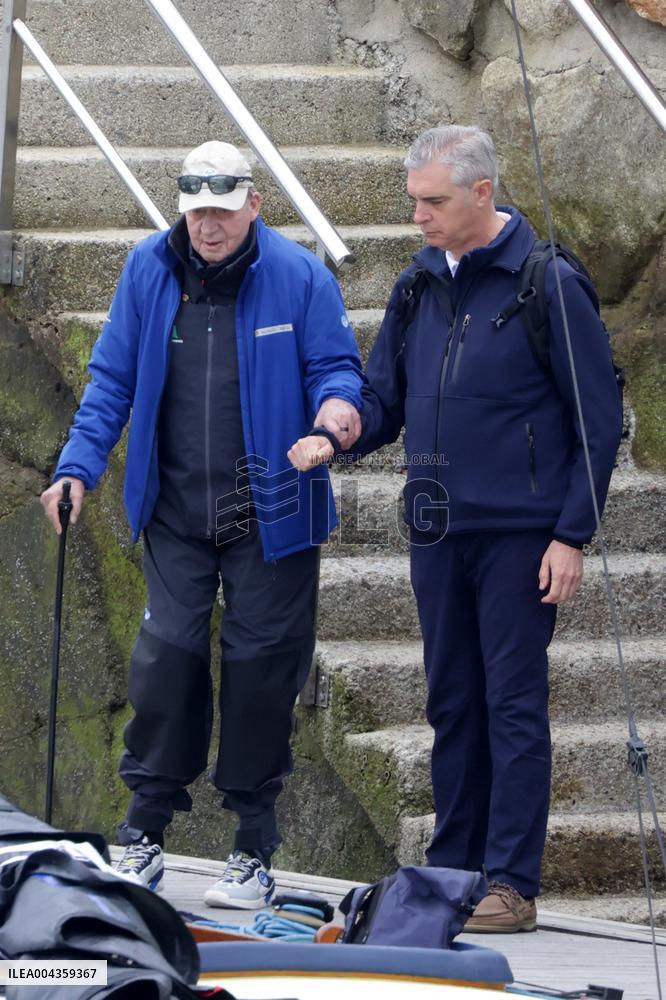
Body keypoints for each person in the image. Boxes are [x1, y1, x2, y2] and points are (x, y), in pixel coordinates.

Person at [289, 125, 623, 932]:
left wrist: (571, 534)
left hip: (520, 532)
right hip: (438, 531)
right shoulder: (417, 285)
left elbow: (598, 418)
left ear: (483, 194)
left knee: (511, 704)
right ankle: (454, 869)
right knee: (452, 702)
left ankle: (511, 882)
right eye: (413, 201)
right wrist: (339, 433)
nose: (418, 217)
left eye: (433, 202)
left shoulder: (547, 282)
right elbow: (384, 401)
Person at [41, 140, 362, 907]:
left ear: (255, 205)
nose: (208, 227)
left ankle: (252, 849)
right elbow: (111, 378)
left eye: (222, 211)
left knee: (259, 675)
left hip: (274, 512)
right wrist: (77, 468)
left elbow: (337, 369)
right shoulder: (149, 270)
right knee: (166, 662)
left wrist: (336, 415)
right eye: (195, 213)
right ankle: (143, 834)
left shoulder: (299, 276)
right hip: (177, 511)